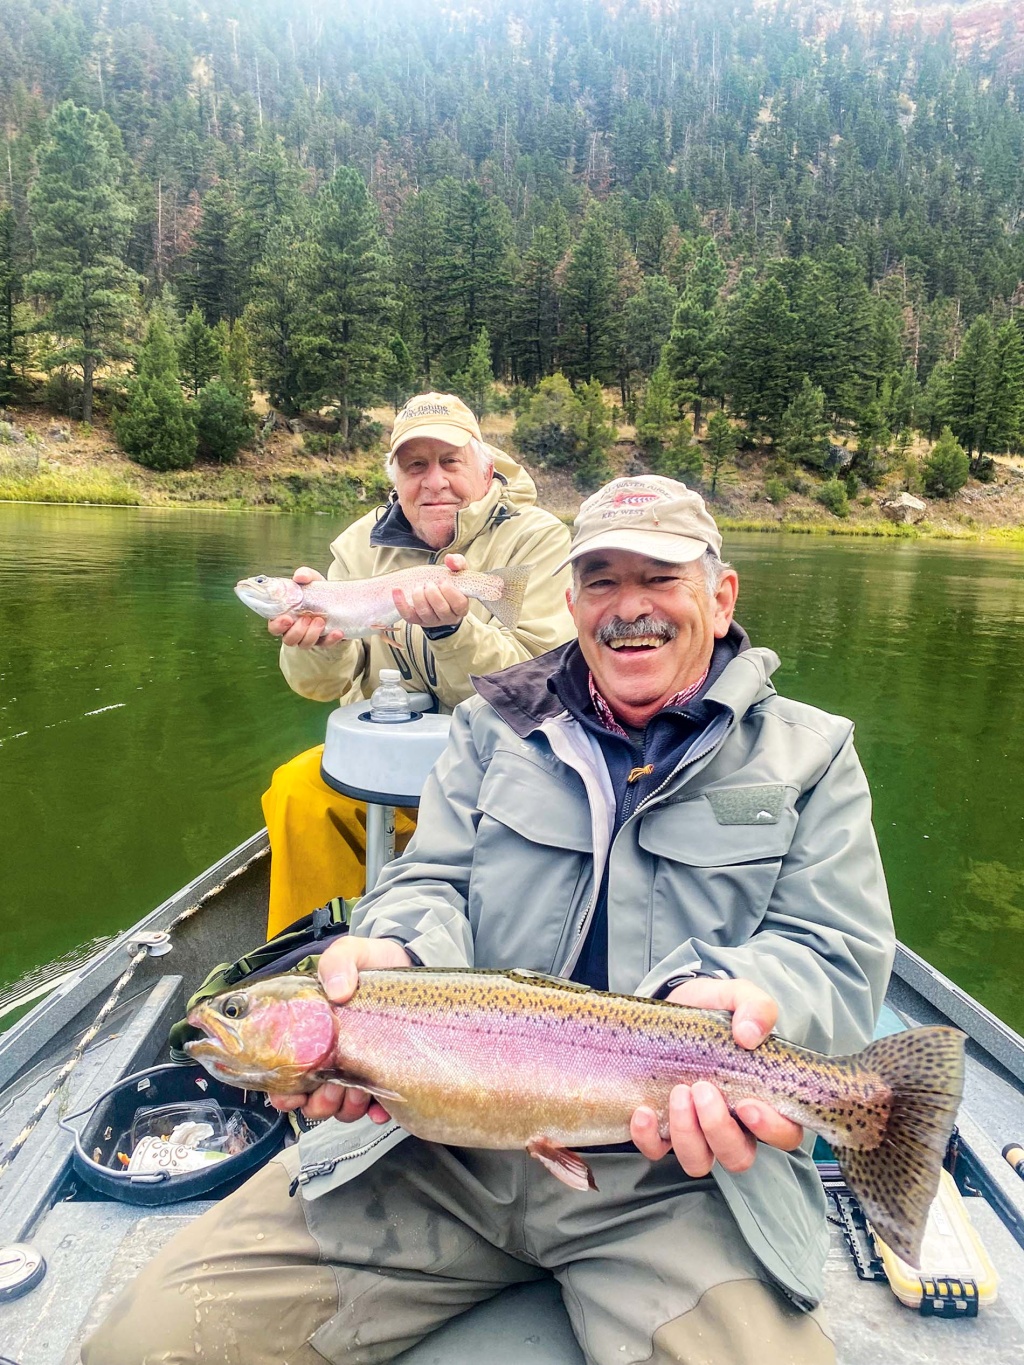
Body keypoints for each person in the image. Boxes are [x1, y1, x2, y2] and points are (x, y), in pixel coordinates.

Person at [84, 476, 894, 1365]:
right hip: (428, 1147)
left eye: (660, 579)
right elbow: (429, 878)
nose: (630, 608)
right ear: (573, 602)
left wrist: (747, 993)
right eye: (602, 581)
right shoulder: (488, 726)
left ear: (721, 595)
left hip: (678, 1171)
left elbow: (835, 952)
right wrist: (398, 948)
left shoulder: (811, 754)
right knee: (141, 1349)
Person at [260, 391, 574, 935]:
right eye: (415, 467)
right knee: (297, 789)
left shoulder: (537, 538)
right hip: (390, 762)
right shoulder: (357, 545)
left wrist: (454, 633)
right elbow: (320, 687)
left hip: (505, 763)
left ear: (485, 469)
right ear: (396, 480)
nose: (434, 482)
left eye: (450, 462)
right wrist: (318, 643)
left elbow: (542, 683)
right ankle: (309, 958)